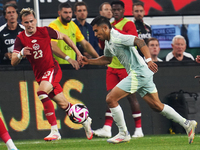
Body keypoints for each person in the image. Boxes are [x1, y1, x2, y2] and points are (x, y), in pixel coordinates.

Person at [82, 16, 197, 144]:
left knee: (110, 99)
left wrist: (148, 60)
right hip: (142, 73)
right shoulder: (109, 42)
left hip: (139, 73)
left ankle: (123, 133)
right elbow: (107, 59)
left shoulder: (117, 37)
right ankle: (187, 123)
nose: (95, 34)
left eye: (96, 31)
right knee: (157, 106)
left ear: (105, 28)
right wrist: (89, 61)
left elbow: (139, 42)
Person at [11, 7, 93, 141]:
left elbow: (65, 37)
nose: (30, 24)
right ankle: (85, 120)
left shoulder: (45, 31)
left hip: (52, 69)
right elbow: (13, 62)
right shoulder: (20, 38)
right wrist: (20, 54)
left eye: (32, 21)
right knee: (64, 105)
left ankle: (55, 131)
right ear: (22, 23)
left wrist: (78, 54)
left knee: (41, 92)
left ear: (35, 20)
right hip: (40, 75)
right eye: (26, 22)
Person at [93, 1, 144, 138]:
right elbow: (102, 45)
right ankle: (107, 128)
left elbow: (134, 39)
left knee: (131, 97)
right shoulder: (106, 26)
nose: (115, 12)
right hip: (112, 66)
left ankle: (138, 129)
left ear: (123, 10)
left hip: (125, 66)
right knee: (110, 97)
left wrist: (112, 31)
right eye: (112, 9)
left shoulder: (127, 24)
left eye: (117, 9)